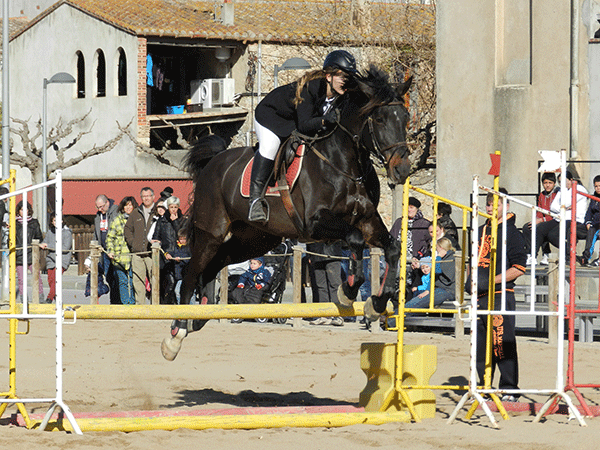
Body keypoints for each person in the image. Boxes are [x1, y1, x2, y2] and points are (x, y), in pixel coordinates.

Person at [248, 50, 358, 223]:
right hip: (271, 117)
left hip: (294, 120)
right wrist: (323, 121)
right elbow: (304, 125)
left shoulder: (339, 95)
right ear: (328, 76)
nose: (346, 82)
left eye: (349, 77)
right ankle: (254, 201)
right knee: (269, 147)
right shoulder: (310, 89)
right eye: (342, 76)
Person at [475, 188, 526, 402]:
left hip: (501, 294)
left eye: (494, 204)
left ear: (506, 206)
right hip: (480, 296)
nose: (490, 208)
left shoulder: (513, 233)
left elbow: (519, 267)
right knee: (480, 346)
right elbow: (474, 260)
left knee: (502, 343)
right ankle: (483, 387)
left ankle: (509, 388)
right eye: (488, 204)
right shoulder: (479, 231)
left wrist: (492, 280)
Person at [546, 171, 588, 264]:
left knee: (556, 234)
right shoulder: (562, 190)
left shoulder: (579, 188)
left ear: (571, 180)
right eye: (560, 182)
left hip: (576, 219)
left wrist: (563, 206)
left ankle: (570, 255)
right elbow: (553, 207)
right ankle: (571, 253)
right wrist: (564, 208)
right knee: (548, 233)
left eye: (564, 181)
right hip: (563, 218)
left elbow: (566, 202)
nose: (562, 184)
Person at [124, 187, 156, 305]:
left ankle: (154, 306)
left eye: (148, 196)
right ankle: (140, 307)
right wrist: (133, 243)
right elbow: (127, 229)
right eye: (144, 196)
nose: (146, 198)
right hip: (137, 253)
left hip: (152, 254)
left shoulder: (158, 211)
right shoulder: (135, 213)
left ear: (153, 197)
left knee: (155, 280)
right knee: (138, 281)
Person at [405, 237, 455, 309]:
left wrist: (438, 257)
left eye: (437, 248)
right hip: (438, 289)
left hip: (445, 290)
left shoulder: (450, 258)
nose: (436, 250)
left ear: (441, 248)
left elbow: (437, 271)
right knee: (414, 301)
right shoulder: (446, 258)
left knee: (414, 304)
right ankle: (394, 317)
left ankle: (393, 318)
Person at [105, 196, 138, 305]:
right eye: (126, 205)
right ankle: (125, 303)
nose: (128, 207)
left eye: (130, 205)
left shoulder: (137, 219)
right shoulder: (117, 220)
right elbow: (110, 237)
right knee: (122, 281)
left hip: (134, 255)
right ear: (122, 207)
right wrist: (110, 250)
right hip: (119, 256)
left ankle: (132, 302)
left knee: (133, 281)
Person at [522, 172, 559, 266]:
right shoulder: (541, 195)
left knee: (541, 228)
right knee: (527, 227)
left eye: (550, 183)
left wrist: (541, 220)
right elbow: (539, 209)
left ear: (554, 183)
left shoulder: (557, 194)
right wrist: (536, 219)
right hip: (543, 220)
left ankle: (537, 254)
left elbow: (556, 214)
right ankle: (530, 254)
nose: (547, 185)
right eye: (545, 183)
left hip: (554, 221)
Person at [308, 241, 345, 326]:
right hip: (316, 253)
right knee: (321, 286)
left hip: (332, 253)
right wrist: (310, 254)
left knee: (335, 285)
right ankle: (324, 315)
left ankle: (338, 315)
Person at [39, 213, 72, 303]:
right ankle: (57, 297)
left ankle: (49, 298)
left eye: (58, 220)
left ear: (62, 221)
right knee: (50, 279)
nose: (56, 222)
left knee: (56, 279)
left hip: (62, 259)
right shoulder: (50, 232)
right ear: (52, 222)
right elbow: (45, 242)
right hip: (51, 259)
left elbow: (65, 248)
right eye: (54, 220)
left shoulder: (67, 233)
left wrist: (49, 245)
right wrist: (41, 244)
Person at [14, 200, 44, 301]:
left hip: (32, 254)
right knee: (21, 280)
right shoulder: (14, 224)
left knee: (37, 277)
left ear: (29, 210)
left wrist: (38, 244)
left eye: (26, 209)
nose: (23, 212)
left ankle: (40, 298)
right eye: (21, 210)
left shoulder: (34, 223)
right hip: (19, 254)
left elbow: (39, 237)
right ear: (18, 211)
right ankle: (24, 299)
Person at [152, 197, 178, 304]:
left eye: (175, 207)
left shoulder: (181, 219)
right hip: (165, 255)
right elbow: (155, 237)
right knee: (167, 283)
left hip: (178, 256)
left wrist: (175, 222)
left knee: (176, 283)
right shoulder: (161, 221)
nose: (173, 210)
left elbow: (182, 235)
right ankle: (165, 305)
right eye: (171, 207)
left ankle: (174, 304)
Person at [94, 194, 120, 304]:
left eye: (102, 207)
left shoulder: (115, 212)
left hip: (115, 250)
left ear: (107, 203)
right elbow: (97, 234)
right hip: (103, 251)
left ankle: (118, 301)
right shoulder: (98, 217)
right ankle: (113, 301)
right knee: (108, 277)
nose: (100, 209)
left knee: (117, 277)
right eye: (98, 207)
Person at [579, 175, 600, 266]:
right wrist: (587, 222)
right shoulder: (593, 198)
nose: (598, 188)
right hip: (593, 224)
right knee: (573, 229)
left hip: (597, 225)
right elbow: (589, 213)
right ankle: (569, 256)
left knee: (593, 230)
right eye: (596, 186)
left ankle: (586, 257)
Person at [170, 228, 193, 304]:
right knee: (177, 291)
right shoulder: (176, 247)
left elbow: (190, 259)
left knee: (190, 292)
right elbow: (172, 253)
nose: (182, 241)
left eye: (184, 239)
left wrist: (181, 259)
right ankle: (180, 307)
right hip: (179, 275)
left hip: (187, 275)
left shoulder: (189, 247)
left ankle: (192, 308)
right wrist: (168, 254)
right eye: (181, 239)